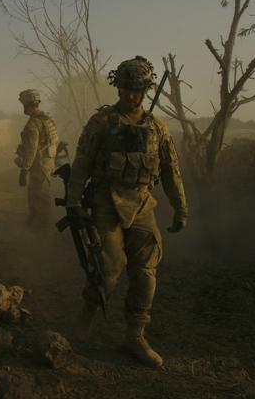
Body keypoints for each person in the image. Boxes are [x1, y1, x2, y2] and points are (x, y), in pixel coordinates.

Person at [65, 56, 188, 367]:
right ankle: (87, 315)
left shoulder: (157, 128)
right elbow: (81, 163)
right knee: (109, 269)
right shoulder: (102, 123)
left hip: (142, 203)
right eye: (125, 89)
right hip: (106, 200)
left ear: (145, 90)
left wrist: (180, 208)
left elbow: (172, 171)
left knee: (146, 272)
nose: (130, 96)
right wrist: (73, 201)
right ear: (117, 88)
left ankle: (135, 336)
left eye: (136, 90)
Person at [14, 89, 59, 228]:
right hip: (48, 163)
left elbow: (32, 149)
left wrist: (24, 170)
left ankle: (42, 230)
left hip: (39, 165)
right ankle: (36, 223)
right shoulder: (47, 118)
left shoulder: (34, 123)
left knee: (40, 197)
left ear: (27, 104)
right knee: (36, 195)